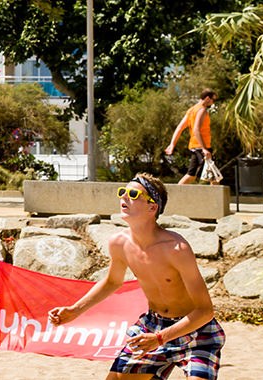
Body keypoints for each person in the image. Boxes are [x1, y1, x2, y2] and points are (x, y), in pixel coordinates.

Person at [49, 173, 224, 380]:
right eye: (122, 192)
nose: (124, 197)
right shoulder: (119, 243)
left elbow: (205, 311)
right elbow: (112, 281)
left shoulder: (176, 248)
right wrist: (74, 310)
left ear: (153, 207)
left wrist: (160, 339)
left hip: (194, 330)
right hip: (152, 325)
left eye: (133, 194)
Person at [163, 90, 218, 185]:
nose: (213, 102)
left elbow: (180, 128)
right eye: (213, 100)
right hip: (202, 146)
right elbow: (196, 129)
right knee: (205, 175)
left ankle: (176, 193)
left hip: (195, 146)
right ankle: (175, 194)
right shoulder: (202, 110)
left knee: (212, 174)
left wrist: (172, 144)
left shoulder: (192, 110)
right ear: (207, 98)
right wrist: (204, 149)